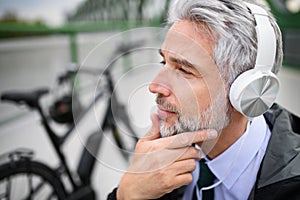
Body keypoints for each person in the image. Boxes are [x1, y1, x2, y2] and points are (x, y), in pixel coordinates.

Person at [108, 0, 300, 199]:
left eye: (183, 70)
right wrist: (126, 194)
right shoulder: (159, 160)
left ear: (247, 91)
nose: (155, 86)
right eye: (164, 62)